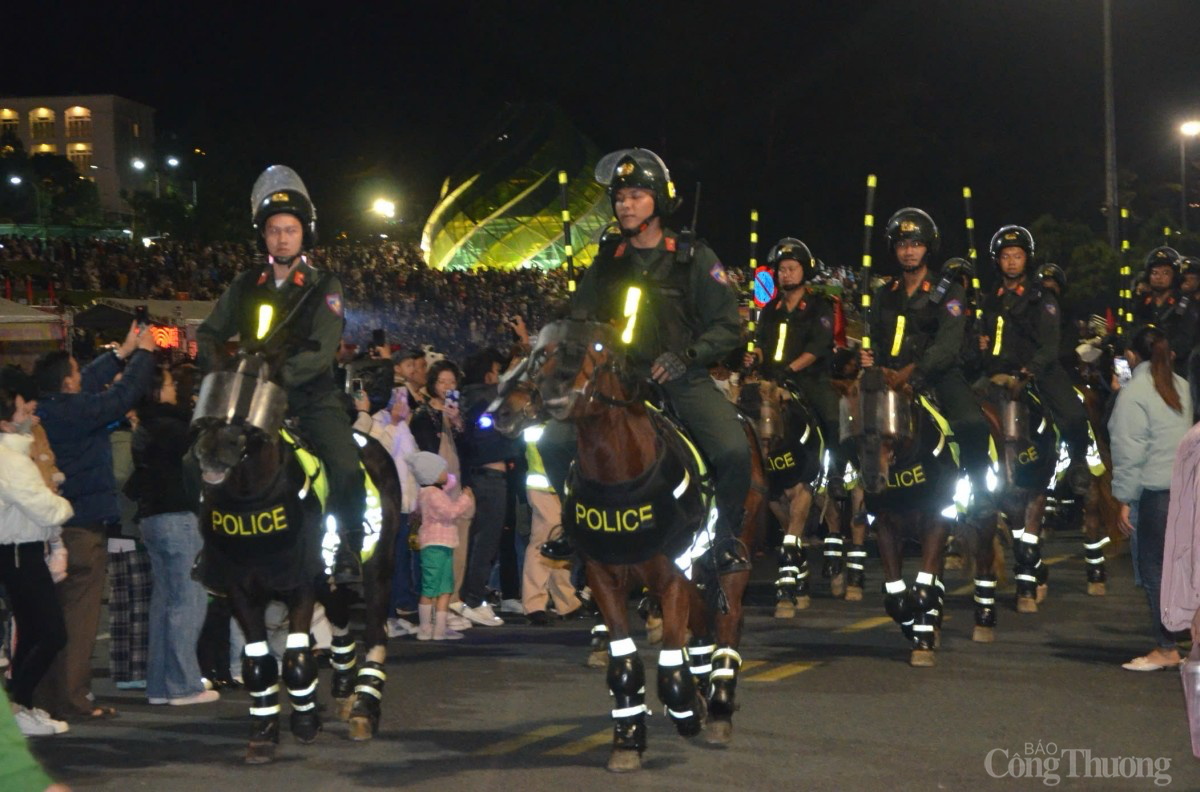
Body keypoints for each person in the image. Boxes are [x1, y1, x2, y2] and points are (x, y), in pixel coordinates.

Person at [538, 148, 749, 573]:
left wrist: (688, 356)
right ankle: (573, 526)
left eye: (636, 195)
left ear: (659, 200)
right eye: (620, 198)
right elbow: (581, 321)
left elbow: (729, 326)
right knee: (552, 443)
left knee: (733, 451)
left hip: (682, 379)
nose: (625, 205)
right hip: (619, 382)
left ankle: (726, 537)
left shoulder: (695, 256)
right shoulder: (607, 261)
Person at [196, 165, 365, 586]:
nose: (282, 238)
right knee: (194, 457)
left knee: (345, 465)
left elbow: (322, 351)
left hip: (309, 397)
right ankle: (210, 545)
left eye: (290, 230)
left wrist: (274, 377)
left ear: (305, 234)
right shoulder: (245, 284)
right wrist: (221, 373)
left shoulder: (325, 285)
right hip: (248, 400)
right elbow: (208, 333)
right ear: (263, 236)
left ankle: (349, 542)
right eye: (274, 230)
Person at [32, 323, 155, 722]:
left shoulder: (46, 408)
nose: (81, 377)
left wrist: (121, 353)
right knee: (79, 619)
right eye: (76, 373)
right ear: (68, 383)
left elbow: (89, 383)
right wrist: (144, 355)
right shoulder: (75, 411)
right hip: (81, 526)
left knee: (50, 618)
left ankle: (45, 697)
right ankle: (73, 699)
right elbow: (121, 397)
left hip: (47, 530)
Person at [861, 208, 993, 512]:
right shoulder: (884, 294)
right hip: (890, 378)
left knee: (973, 424)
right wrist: (871, 357)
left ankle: (981, 492)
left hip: (938, 376)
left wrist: (915, 370)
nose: (908, 251)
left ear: (928, 248)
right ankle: (859, 490)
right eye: (902, 244)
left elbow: (948, 345)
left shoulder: (949, 292)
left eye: (916, 244)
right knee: (856, 424)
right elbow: (877, 338)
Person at [977, 226, 1092, 495]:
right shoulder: (989, 300)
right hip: (995, 373)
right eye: (1006, 256)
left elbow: (1049, 346)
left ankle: (1078, 463)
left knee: (1074, 415)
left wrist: (1028, 371)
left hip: (1038, 371)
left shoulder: (1042, 298)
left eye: (1017, 256)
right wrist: (979, 344)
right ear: (997, 260)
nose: (1011, 262)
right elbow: (981, 337)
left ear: (1026, 259)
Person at [129, 364, 219, 706]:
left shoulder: (145, 428)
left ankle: (160, 685)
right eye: (168, 384)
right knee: (188, 601)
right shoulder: (174, 428)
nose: (174, 389)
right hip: (178, 517)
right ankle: (183, 685)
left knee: (164, 603)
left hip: (151, 518)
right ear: (156, 391)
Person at [1109, 326, 1193, 671]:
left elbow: (1130, 452)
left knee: (1154, 570)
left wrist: (1124, 499)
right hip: (1188, 490)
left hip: (1157, 494)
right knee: (1186, 571)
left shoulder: (1134, 393)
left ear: (1131, 355)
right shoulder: (1181, 386)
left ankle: (1166, 647)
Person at [0, 382, 72, 737]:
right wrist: (63, 505)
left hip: (20, 549)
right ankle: (17, 705)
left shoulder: (16, 457)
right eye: (22, 410)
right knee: (51, 632)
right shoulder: (11, 461)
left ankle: (18, 706)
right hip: (19, 550)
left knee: (32, 632)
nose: (30, 414)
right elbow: (44, 507)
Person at [745, 236, 841, 473]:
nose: (785, 274)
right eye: (781, 270)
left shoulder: (820, 306)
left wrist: (788, 370)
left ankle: (836, 473)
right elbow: (761, 343)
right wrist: (754, 357)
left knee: (833, 419)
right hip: (771, 381)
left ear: (804, 271)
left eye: (791, 269)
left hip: (809, 380)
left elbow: (817, 347)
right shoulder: (771, 309)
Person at [452, 349, 520, 627]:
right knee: (486, 542)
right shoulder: (487, 399)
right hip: (490, 479)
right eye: (496, 370)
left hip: (478, 478)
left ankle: (469, 596)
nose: (499, 375)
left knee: (477, 542)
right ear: (487, 373)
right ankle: (473, 599)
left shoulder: (467, 398)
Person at [352, 387, 421, 635]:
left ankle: (395, 613)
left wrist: (416, 501)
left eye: (404, 398)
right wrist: (392, 423)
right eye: (397, 397)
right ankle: (385, 616)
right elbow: (378, 454)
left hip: (403, 504)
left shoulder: (405, 426)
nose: (402, 402)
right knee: (386, 561)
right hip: (381, 502)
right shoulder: (375, 422)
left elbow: (412, 465)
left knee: (400, 559)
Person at [407, 451, 476, 641]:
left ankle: (437, 629)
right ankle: (428, 628)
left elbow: (449, 481)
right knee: (433, 588)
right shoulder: (434, 494)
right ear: (432, 474)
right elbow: (450, 512)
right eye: (442, 470)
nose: (447, 473)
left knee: (442, 587)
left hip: (440, 545)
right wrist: (465, 498)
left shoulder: (427, 493)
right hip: (436, 545)